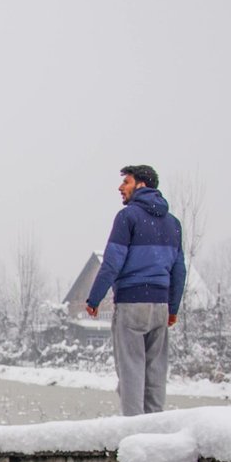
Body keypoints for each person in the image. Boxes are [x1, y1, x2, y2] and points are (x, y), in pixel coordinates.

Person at [84, 164, 187, 415]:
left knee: (131, 371)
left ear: (142, 185)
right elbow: (179, 271)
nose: (120, 187)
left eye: (126, 182)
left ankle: (134, 434)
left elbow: (112, 261)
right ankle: (155, 431)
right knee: (155, 373)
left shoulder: (128, 217)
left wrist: (94, 298)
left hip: (131, 303)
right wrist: (173, 308)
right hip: (160, 307)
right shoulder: (173, 224)